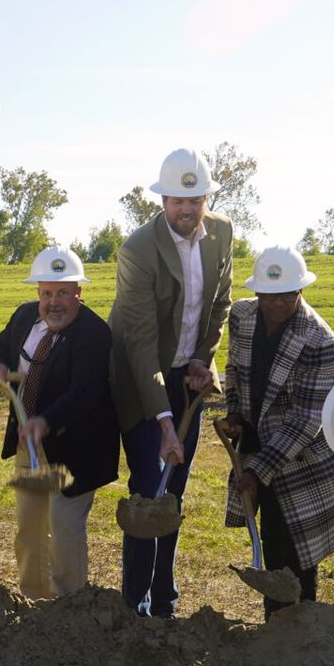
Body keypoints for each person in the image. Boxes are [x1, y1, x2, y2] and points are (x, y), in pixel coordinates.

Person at [109, 147, 235, 617]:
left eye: (194, 199)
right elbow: (141, 342)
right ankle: (135, 606)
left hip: (188, 378)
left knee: (175, 489)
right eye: (176, 201)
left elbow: (219, 302)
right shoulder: (138, 250)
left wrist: (203, 359)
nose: (186, 209)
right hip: (141, 378)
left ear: (206, 198)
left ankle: (164, 600)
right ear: (161, 201)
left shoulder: (220, 233)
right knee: (149, 488)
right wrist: (163, 421)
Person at [213, 247, 334, 617]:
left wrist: (257, 471)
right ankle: (275, 632)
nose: (276, 303)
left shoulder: (320, 341)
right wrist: (236, 414)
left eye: (287, 295)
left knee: (299, 553)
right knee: (272, 542)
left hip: (303, 459)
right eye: (268, 296)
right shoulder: (242, 315)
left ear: (300, 292)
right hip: (258, 448)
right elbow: (235, 371)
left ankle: (302, 633)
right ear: (257, 294)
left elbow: (306, 419)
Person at [0, 244, 118, 599]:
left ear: (79, 292)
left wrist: (45, 421)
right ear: (37, 293)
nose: (53, 302)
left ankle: (68, 611)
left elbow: (84, 391)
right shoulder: (25, 316)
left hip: (76, 450)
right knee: (28, 530)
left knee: (63, 531)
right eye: (46, 293)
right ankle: (33, 605)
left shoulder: (94, 333)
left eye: (63, 292)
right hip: (29, 447)